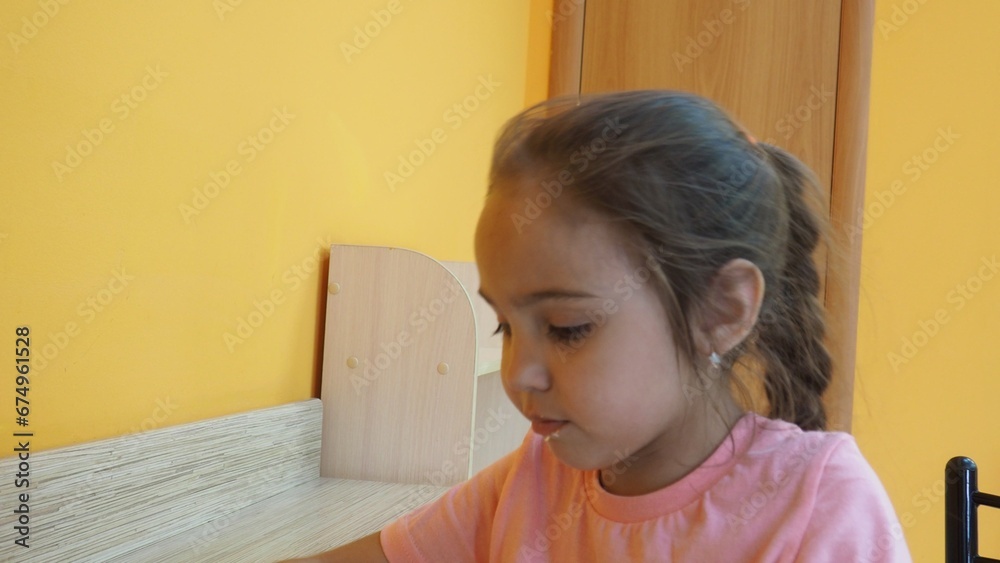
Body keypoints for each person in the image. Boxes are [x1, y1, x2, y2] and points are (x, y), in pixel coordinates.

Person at [286, 90, 912, 562]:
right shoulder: (533, 481)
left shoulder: (819, 506)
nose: (518, 374)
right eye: (506, 326)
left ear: (721, 311)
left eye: (567, 327)